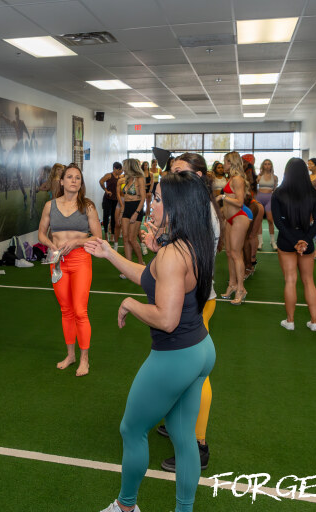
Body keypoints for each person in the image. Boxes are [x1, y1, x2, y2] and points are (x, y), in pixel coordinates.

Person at [85, 171, 216, 512]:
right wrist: (110, 254)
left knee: (132, 429)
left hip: (176, 356)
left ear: (175, 207)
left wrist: (130, 304)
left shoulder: (173, 254)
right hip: (200, 350)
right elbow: (150, 277)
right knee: (184, 438)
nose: (150, 204)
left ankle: (125, 507)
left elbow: (166, 319)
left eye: (157, 199)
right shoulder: (191, 243)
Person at [154, 153, 219, 474]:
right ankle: (180, 422)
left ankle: (197, 444)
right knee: (183, 371)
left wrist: (162, 245)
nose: (173, 178)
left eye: (180, 172)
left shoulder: (202, 212)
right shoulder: (196, 209)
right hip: (192, 297)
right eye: (171, 172)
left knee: (195, 376)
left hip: (197, 301)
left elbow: (186, 259)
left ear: (198, 176)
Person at [37, 164, 102, 377]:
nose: (74, 180)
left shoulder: (88, 206)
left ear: (81, 183)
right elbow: (41, 234)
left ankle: (85, 359)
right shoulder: (50, 205)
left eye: (77, 178)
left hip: (80, 260)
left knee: (80, 311)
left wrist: (76, 242)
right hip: (58, 262)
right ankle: (71, 355)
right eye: (70, 177)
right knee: (66, 310)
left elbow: (98, 237)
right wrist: (50, 245)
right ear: (62, 181)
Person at [271, 158, 316, 330]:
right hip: (305, 240)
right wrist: (305, 240)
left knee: (290, 280)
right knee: (309, 281)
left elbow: (278, 222)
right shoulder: (314, 194)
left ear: (287, 172)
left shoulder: (278, 193)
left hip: (287, 240)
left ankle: (290, 321)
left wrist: (294, 242)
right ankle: (314, 322)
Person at [219, 152, 252, 305]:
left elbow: (239, 202)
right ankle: (232, 284)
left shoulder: (238, 179)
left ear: (231, 163)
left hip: (239, 217)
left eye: (225, 162)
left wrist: (222, 197)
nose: (223, 165)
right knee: (229, 253)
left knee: (236, 254)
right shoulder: (231, 178)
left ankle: (241, 288)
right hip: (230, 219)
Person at [119, 159, 146, 267]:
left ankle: (141, 262)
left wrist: (136, 213)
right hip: (126, 208)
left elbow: (143, 198)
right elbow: (125, 197)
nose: (123, 168)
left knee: (132, 238)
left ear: (130, 166)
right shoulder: (126, 179)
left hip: (136, 208)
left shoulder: (139, 179)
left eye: (124, 165)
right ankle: (128, 266)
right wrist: (122, 212)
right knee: (125, 238)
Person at [256, 159, 278, 250]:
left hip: (270, 199)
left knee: (270, 220)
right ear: (263, 165)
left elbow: (275, 189)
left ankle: (273, 241)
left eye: (269, 164)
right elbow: (254, 187)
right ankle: (260, 242)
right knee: (259, 220)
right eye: (265, 164)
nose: (267, 165)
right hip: (259, 198)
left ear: (271, 166)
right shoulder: (259, 176)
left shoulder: (275, 177)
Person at [99, 162, 123, 245]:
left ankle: (112, 234)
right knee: (106, 217)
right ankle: (106, 234)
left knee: (114, 218)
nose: (120, 171)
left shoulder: (120, 177)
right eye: (119, 170)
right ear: (115, 168)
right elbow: (101, 181)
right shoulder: (109, 175)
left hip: (115, 200)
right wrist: (106, 190)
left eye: (121, 170)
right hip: (107, 199)